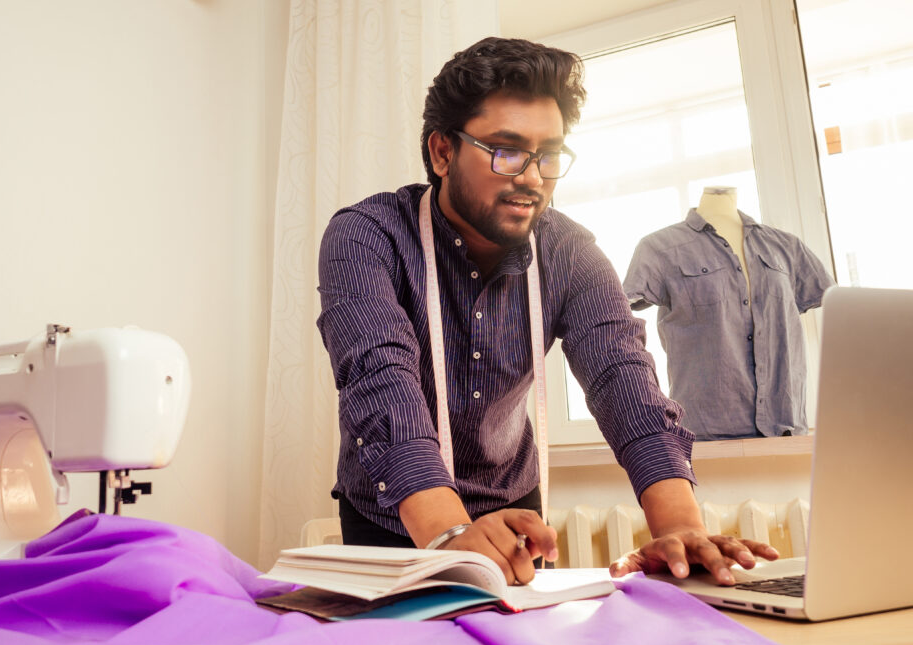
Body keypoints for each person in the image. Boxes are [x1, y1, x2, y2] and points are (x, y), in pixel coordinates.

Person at [316, 36, 777, 587]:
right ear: (442, 152)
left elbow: (622, 377)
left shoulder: (568, 252)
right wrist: (446, 535)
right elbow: (380, 379)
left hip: (514, 515)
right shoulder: (366, 237)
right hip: (395, 520)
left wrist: (677, 525)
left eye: (549, 155)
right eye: (506, 151)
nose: (533, 177)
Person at [623, 186, 835, 440]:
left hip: (785, 432)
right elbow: (621, 328)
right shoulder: (659, 248)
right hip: (705, 435)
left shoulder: (786, 247)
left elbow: (836, 306)